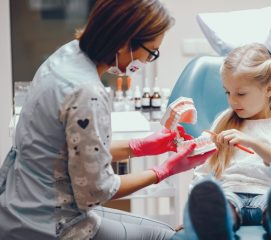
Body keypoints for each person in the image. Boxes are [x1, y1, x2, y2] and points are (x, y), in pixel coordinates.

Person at [0, 0, 216, 239]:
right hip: (50, 226)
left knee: (164, 228)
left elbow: (74, 152)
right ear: (125, 43)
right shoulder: (87, 93)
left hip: (18, 208)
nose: (147, 61)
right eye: (151, 52)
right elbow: (97, 190)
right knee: (168, 236)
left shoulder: (66, 55)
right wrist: (166, 169)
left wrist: (141, 146)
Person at [179, 43, 271, 240]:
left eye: (240, 94)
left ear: (269, 89)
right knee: (217, 205)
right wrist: (193, 213)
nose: (232, 101)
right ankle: (212, 224)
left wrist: (252, 142)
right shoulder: (224, 120)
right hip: (229, 193)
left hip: (266, 194)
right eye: (228, 92)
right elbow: (204, 170)